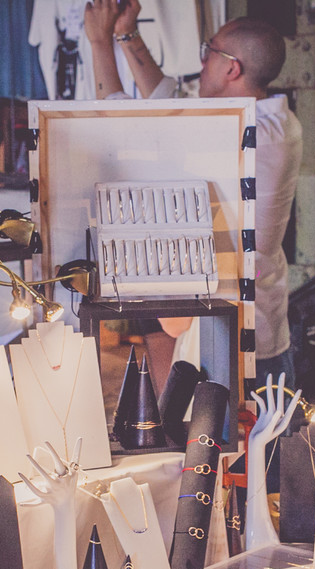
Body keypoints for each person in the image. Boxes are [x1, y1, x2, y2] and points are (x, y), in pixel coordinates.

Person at [84, 1, 302, 388]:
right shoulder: (274, 122)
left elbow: (120, 125)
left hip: (233, 344)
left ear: (232, 68)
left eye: (209, 52)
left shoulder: (240, 135)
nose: (202, 61)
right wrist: (126, 34)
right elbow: (170, 103)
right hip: (255, 330)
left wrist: (99, 43)